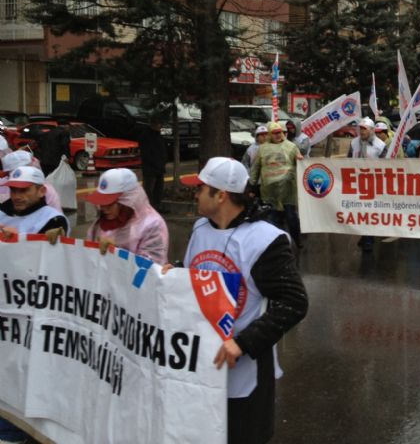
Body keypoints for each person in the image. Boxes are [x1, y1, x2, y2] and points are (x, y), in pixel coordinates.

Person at [174, 157, 308, 444]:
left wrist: (243, 343)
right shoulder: (200, 228)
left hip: (245, 372)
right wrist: (170, 274)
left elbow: (294, 302)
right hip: (201, 365)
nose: (195, 194)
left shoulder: (265, 241)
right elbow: (195, 277)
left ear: (221, 195)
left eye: (201, 188)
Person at [0, 165, 70, 443]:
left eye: (24, 190)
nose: (17, 196)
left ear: (41, 191)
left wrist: (13, 241)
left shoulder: (52, 219)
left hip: (30, 312)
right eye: (14, 189)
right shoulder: (3, 211)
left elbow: (45, 265)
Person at [84, 167, 169, 264]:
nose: (103, 208)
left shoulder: (152, 225)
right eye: (101, 203)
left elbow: (151, 270)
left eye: (110, 204)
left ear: (127, 201)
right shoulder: (101, 223)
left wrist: (116, 252)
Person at [249, 122, 303, 249]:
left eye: (279, 132)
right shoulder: (262, 149)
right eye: (274, 133)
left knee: (291, 217)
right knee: (272, 218)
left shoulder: (291, 147)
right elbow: (255, 169)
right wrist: (252, 187)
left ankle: (297, 240)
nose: (278, 135)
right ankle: (274, 246)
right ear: (269, 134)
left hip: (288, 190)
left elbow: (300, 163)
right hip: (270, 192)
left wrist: (301, 160)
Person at [348, 117, 385, 251]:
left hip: (373, 183)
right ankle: (365, 236)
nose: (361, 132)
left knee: (369, 211)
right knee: (360, 211)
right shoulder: (353, 143)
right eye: (360, 129)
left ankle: (368, 239)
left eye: (364, 129)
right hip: (357, 182)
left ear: (371, 130)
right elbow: (347, 161)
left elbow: (387, 165)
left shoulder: (380, 145)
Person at [138, 114, 167, 212]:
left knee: (158, 189)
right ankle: (148, 208)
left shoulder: (158, 135)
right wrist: (156, 164)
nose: (160, 127)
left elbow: (162, 150)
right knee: (149, 188)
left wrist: (162, 163)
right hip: (150, 168)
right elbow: (146, 153)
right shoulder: (146, 136)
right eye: (159, 124)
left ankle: (157, 206)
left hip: (159, 167)